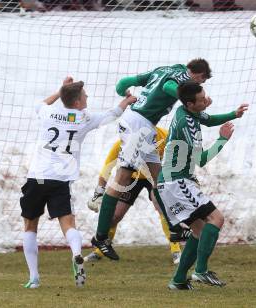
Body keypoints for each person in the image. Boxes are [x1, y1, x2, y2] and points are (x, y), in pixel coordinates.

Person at [19, 76, 135, 288]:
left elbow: (42, 104)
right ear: (78, 103)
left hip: (37, 176)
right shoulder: (83, 118)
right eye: (84, 95)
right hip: (61, 180)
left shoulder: (48, 113)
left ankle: (34, 278)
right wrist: (126, 101)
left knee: (30, 226)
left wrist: (60, 89)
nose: (87, 96)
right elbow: (112, 114)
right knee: (68, 223)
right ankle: (76, 254)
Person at [91, 59, 213, 259]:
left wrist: (125, 94)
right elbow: (169, 86)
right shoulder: (182, 78)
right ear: (197, 74)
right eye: (200, 82)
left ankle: (175, 228)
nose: (198, 87)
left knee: (160, 181)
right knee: (122, 177)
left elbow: (124, 83)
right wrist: (187, 98)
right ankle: (101, 237)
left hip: (141, 125)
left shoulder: (162, 69)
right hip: (138, 126)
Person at [155, 81, 248, 290]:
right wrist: (222, 140)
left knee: (199, 231)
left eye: (205, 95)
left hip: (173, 181)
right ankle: (201, 271)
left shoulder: (185, 111)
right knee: (216, 218)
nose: (207, 100)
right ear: (190, 104)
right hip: (175, 182)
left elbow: (208, 119)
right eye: (202, 99)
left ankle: (178, 281)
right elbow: (202, 159)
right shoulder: (186, 124)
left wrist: (234, 114)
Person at [84, 126, 185, 264]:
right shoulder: (122, 143)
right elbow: (107, 167)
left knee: (161, 205)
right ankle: (100, 250)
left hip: (157, 175)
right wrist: (99, 191)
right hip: (131, 177)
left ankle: (176, 249)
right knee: (114, 216)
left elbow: (180, 156)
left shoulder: (165, 136)